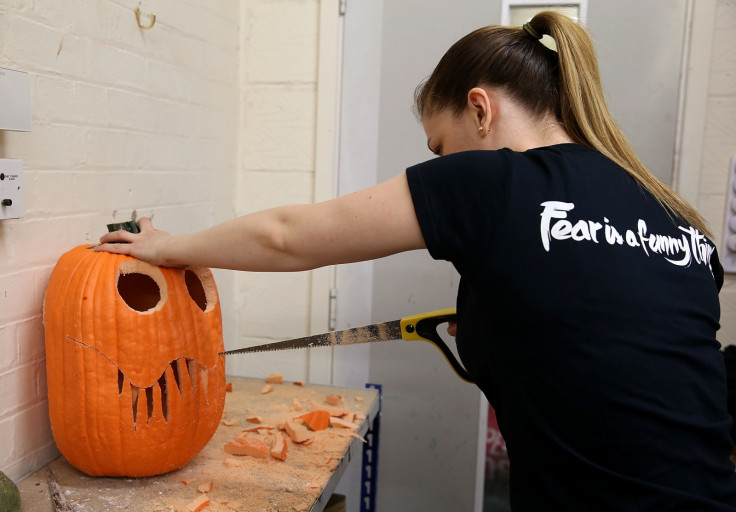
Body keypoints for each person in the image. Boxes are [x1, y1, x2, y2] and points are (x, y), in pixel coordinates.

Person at [98, 11, 736, 511]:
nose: (440, 164)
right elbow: (629, 359)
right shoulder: (679, 223)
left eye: (440, 146)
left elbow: (288, 236)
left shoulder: (493, 183)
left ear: (480, 111)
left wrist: (165, 247)